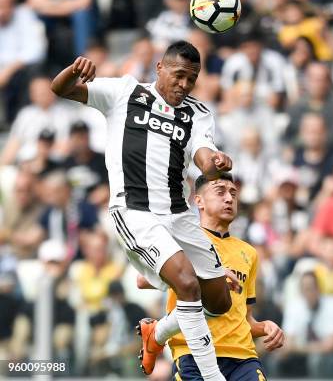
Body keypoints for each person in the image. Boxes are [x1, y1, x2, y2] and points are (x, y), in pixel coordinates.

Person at [50, 41, 238, 379]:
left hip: (179, 215)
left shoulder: (197, 112)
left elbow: (204, 155)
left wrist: (216, 162)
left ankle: (158, 333)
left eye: (191, 79)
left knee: (220, 303)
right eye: (179, 75)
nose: (184, 85)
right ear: (160, 69)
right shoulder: (125, 91)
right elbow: (60, 88)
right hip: (135, 211)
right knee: (187, 284)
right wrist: (74, 72)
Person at [139, 172, 285, 380]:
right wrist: (208, 273)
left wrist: (265, 327)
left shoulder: (249, 253)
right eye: (220, 192)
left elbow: (244, 319)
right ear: (199, 201)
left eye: (233, 193)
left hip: (241, 357)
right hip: (193, 353)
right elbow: (142, 279)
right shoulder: (183, 241)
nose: (229, 198)